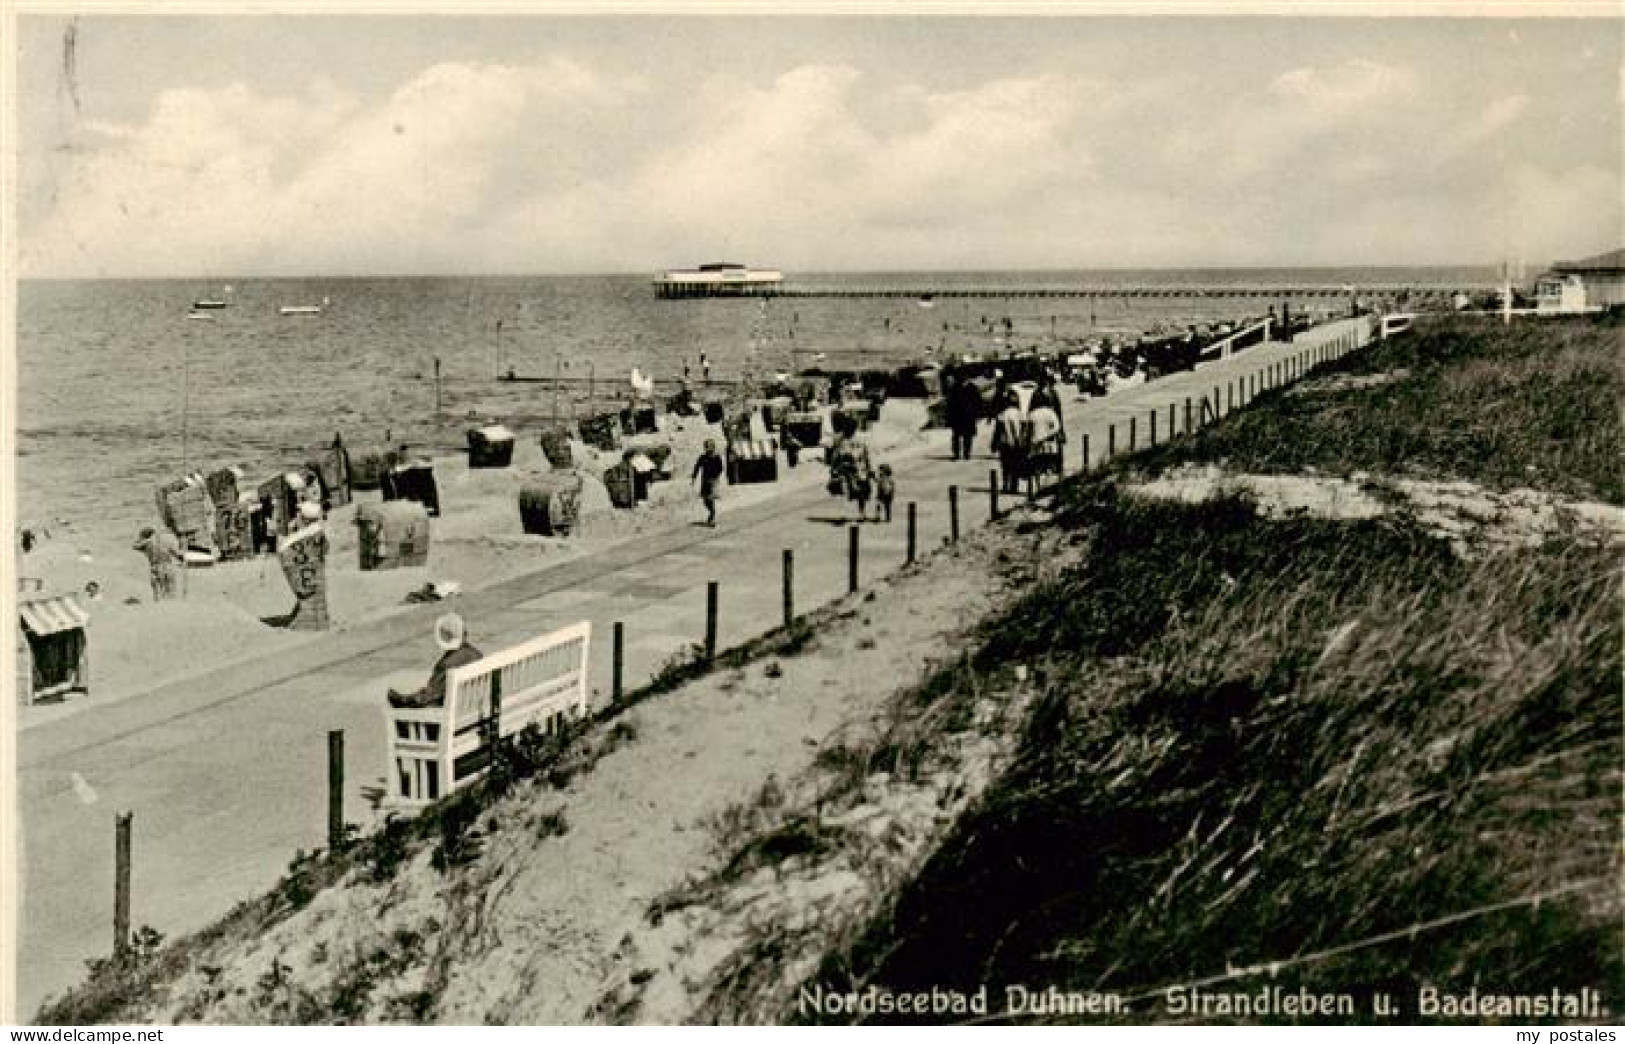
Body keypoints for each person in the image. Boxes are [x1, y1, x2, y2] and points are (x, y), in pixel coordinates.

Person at [387, 613, 485, 709]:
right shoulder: (477, 655)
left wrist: (408, 700)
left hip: (453, 709)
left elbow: (432, 694)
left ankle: (404, 702)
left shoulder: (447, 664)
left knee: (420, 703)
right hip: (474, 705)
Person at [133, 525, 184, 601]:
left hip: (155, 568)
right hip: (168, 567)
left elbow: (134, 546)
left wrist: (141, 539)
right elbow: (177, 554)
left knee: (157, 593)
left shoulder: (146, 543)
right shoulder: (166, 541)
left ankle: (160, 608)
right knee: (171, 592)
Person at [991, 392, 1028, 494]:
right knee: (1015, 465)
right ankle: (1014, 486)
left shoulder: (1002, 415)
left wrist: (994, 444)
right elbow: (1024, 430)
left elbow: (997, 432)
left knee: (1005, 466)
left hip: (1005, 443)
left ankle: (1005, 485)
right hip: (1017, 444)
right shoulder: (1021, 415)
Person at [946, 375, 984, 461]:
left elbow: (978, 402)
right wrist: (949, 415)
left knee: (968, 436)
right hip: (957, 416)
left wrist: (977, 414)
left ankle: (966, 453)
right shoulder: (955, 388)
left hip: (969, 416)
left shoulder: (973, 388)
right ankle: (956, 454)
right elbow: (950, 403)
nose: (963, 379)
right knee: (956, 436)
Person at [692, 439, 725, 527]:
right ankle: (711, 513)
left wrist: (715, 476)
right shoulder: (702, 457)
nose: (706, 448)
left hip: (713, 481)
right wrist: (693, 477)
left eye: (707, 446)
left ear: (712, 447)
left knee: (710, 498)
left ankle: (712, 517)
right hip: (705, 480)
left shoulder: (716, 457)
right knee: (705, 500)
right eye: (705, 446)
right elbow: (697, 467)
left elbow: (720, 468)